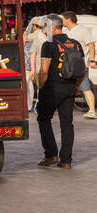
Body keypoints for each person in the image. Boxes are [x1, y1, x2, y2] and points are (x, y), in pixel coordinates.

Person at [37, 14, 81, 169]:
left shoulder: (48, 45)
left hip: (52, 88)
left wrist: (40, 86)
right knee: (67, 124)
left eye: (44, 27)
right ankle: (66, 161)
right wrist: (77, 86)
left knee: (43, 118)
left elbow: (43, 71)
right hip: (69, 88)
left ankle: (51, 154)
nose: (43, 31)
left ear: (52, 27)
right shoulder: (75, 44)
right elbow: (83, 69)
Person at [61, 11, 96, 119]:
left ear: (68, 19)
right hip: (68, 66)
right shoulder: (66, 31)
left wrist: (92, 60)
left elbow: (91, 44)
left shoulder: (82, 30)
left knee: (85, 88)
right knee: (67, 87)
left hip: (81, 65)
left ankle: (92, 111)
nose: (62, 21)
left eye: (63, 19)